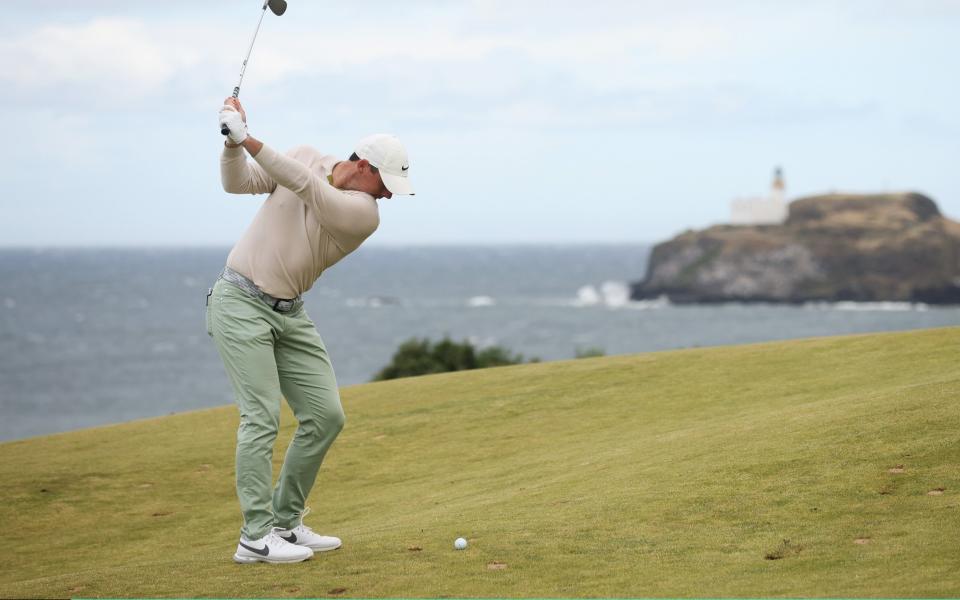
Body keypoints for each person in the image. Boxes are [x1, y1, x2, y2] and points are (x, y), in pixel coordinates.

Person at [207, 97, 414, 564]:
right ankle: (255, 537)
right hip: (239, 303)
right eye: (386, 183)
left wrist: (248, 137)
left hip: (289, 314)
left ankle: (286, 522)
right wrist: (231, 142)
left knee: (326, 416)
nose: (388, 195)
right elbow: (235, 182)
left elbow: (307, 188)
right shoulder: (301, 155)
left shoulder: (363, 214)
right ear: (363, 165)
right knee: (260, 418)